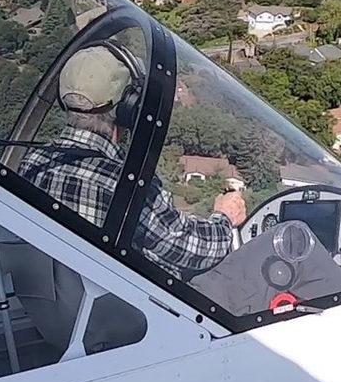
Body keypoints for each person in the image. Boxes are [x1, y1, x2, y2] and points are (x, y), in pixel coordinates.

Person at [20, 45, 245, 276]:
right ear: (129, 106)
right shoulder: (124, 184)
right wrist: (225, 217)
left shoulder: (32, 162)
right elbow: (193, 249)